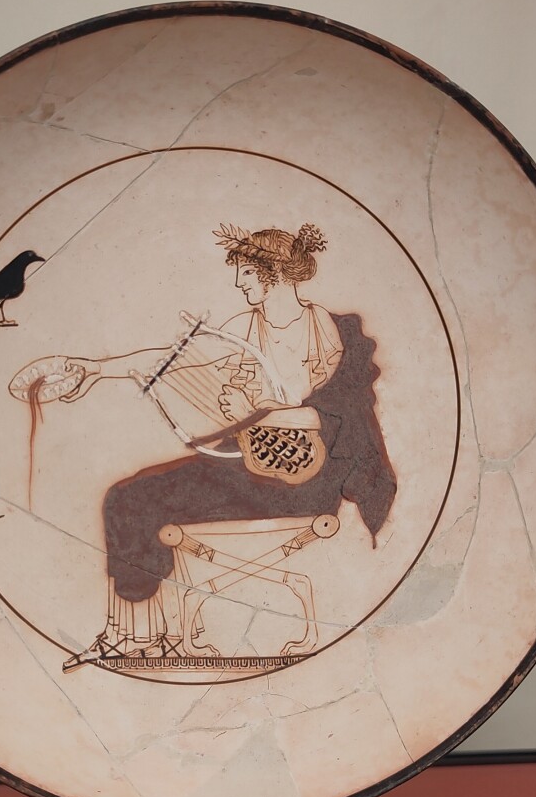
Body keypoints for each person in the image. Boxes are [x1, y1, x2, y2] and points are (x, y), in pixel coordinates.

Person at [59, 222, 396, 669]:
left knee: (137, 497)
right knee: (129, 494)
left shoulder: (332, 332)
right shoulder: (244, 328)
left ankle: (138, 636)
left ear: (274, 274)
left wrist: (253, 411)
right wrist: (97, 369)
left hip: (308, 478)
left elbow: (333, 416)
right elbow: (170, 358)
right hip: (252, 466)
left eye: (246, 275)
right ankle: (138, 633)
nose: (239, 284)